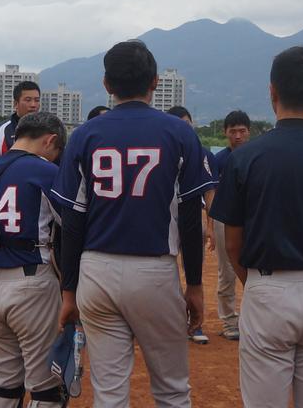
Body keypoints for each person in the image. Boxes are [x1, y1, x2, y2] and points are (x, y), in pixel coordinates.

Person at [53, 40, 214, 407]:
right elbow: (190, 218)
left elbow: (72, 222)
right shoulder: (179, 132)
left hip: (96, 269)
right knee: (172, 390)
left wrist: (69, 290)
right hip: (154, 270)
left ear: (107, 84)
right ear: (155, 81)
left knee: (109, 394)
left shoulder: (84, 134)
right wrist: (194, 284)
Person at [210, 46, 303, 408]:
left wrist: (256, 283)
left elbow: (233, 244)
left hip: (267, 287)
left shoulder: (244, 158)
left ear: (272, 91)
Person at [0, 112, 67, 407]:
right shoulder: (46, 171)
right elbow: (73, 226)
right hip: (33, 282)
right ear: (49, 140)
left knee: (2, 385)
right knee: (46, 387)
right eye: (57, 149)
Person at [167, 105, 218, 345]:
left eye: (186, 123)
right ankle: (171, 323)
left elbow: (209, 191)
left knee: (193, 272)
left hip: (190, 218)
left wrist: (211, 226)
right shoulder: (161, 151)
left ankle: (196, 324)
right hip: (164, 221)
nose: (183, 128)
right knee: (166, 272)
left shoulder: (201, 152)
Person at [210, 109, 251, 341]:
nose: (237, 136)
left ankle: (251, 319)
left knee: (254, 269)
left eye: (242, 131)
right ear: (225, 132)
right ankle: (228, 321)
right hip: (224, 219)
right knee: (227, 271)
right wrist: (211, 227)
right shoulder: (219, 160)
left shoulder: (256, 156)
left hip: (251, 218)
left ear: (249, 132)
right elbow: (212, 195)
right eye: (233, 131)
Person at [0, 80, 41, 165]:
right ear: (15, 104)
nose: (33, 105)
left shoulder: (48, 132)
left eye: (37, 100)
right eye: (28, 100)